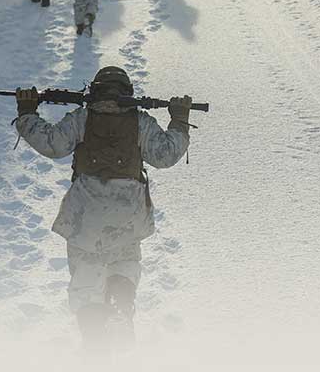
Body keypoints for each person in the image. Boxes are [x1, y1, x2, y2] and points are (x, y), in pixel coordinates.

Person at [13, 68, 192, 354]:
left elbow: (52, 144)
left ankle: (95, 337)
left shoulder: (82, 118)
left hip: (86, 215)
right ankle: (121, 305)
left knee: (86, 275)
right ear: (127, 92)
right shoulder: (140, 122)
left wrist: (27, 112)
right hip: (129, 213)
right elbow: (165, 155)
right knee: (124, 263)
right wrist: (179, 120)